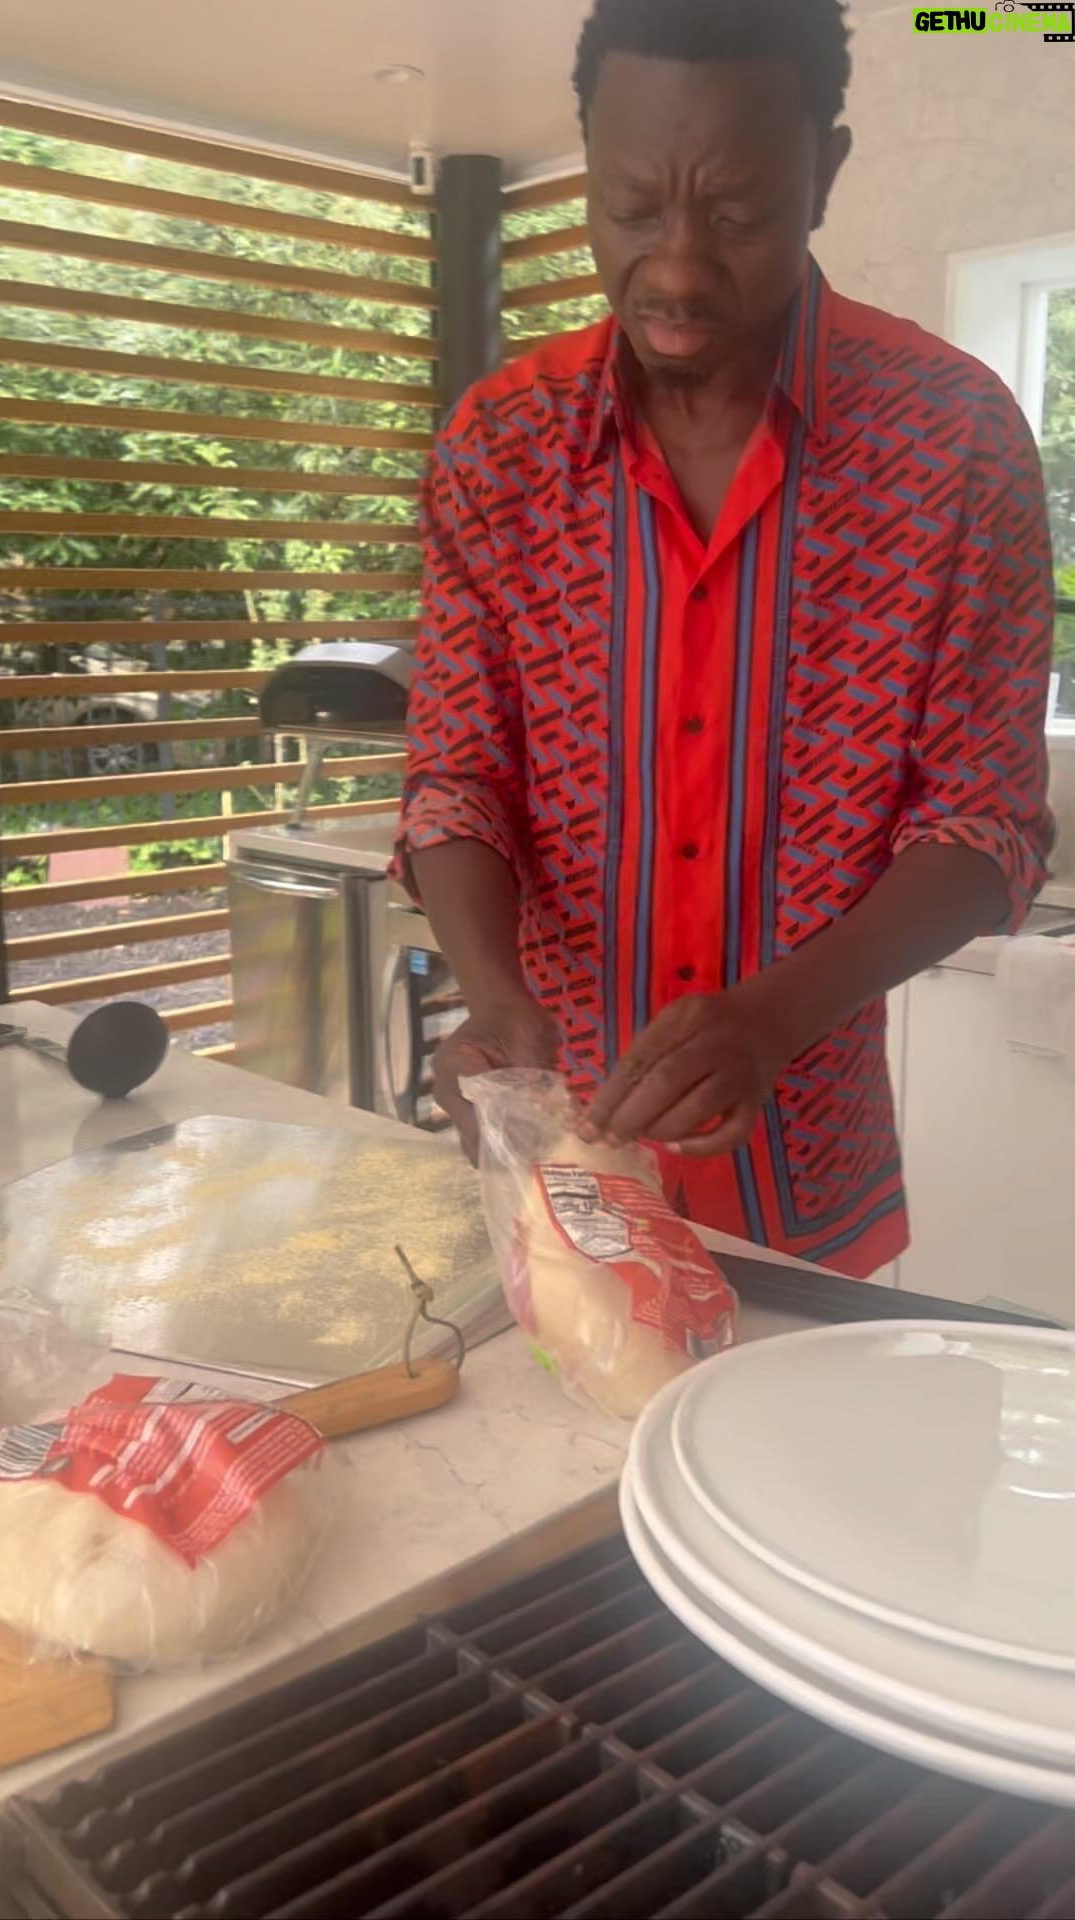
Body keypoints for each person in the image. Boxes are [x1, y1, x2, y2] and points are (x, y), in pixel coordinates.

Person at [395, 0, 1054, 1276]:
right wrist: (495, 1001)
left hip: (806, 1188)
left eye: (738, 214)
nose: (681, 269)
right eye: (633, 209)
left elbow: (984, 824)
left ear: (826, 172)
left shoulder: (954, 445)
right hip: (562, 1185)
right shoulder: (499, 449)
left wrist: (776, 1016)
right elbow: (458, 778)